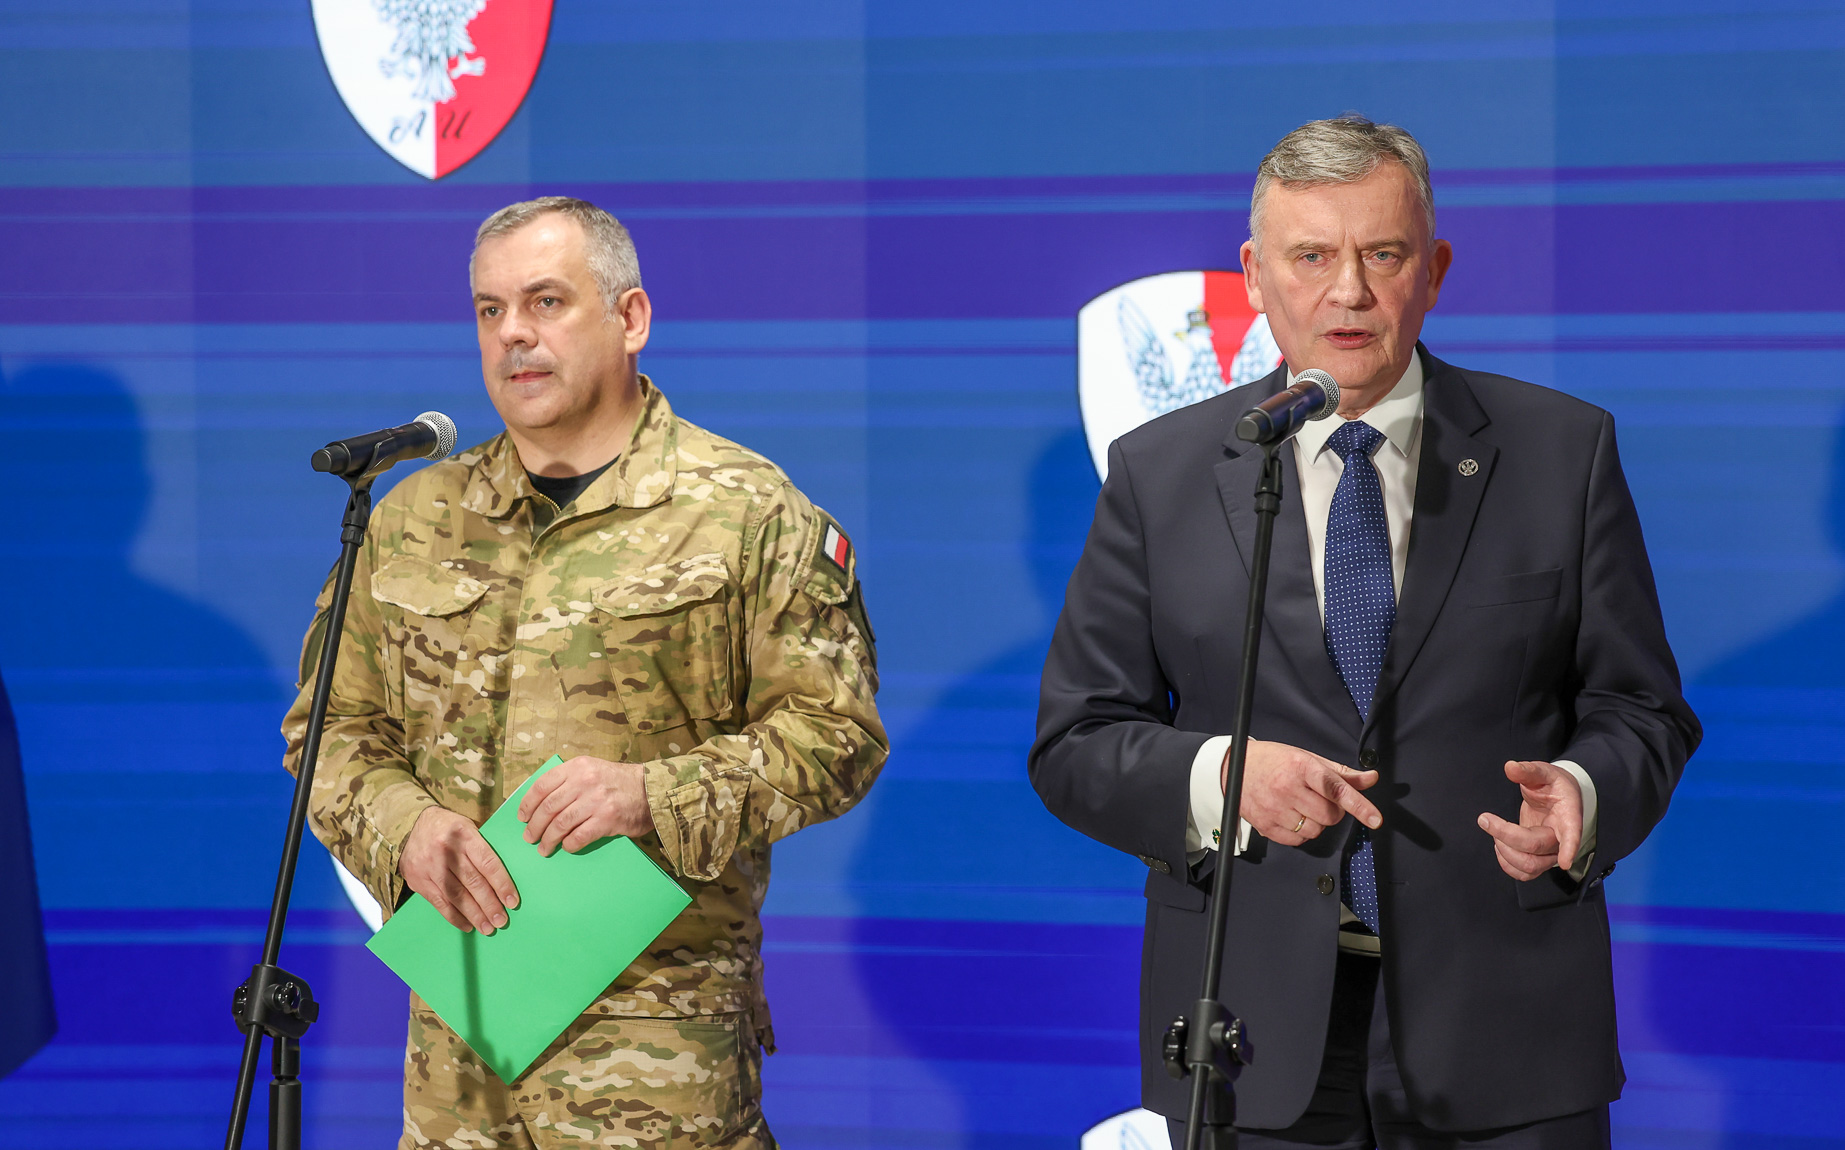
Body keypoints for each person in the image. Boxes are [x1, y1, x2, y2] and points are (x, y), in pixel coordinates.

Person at [1031, 117, 1700, 1148]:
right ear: (1254, 275)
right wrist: (1220, 778)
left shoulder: (1559, 453)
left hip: (1507, 1031)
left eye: (1381, 254)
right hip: (1252, 1035)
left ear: (1432, 270)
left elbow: (1640, 707)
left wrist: (1581, 793)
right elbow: (1076, 740)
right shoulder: (1159, 476)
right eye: (1311, 257)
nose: (1347, 291)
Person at [282, 196, 887, 1149]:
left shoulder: (746, 511)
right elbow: (329, 734)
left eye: (546, 302)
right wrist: (405, 830)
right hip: (459, 1070)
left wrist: (655, 795)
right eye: (490, 310)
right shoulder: (411, 519)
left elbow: (836, 735)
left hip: (663, 1067)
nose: (513, 334)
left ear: (631, 317)